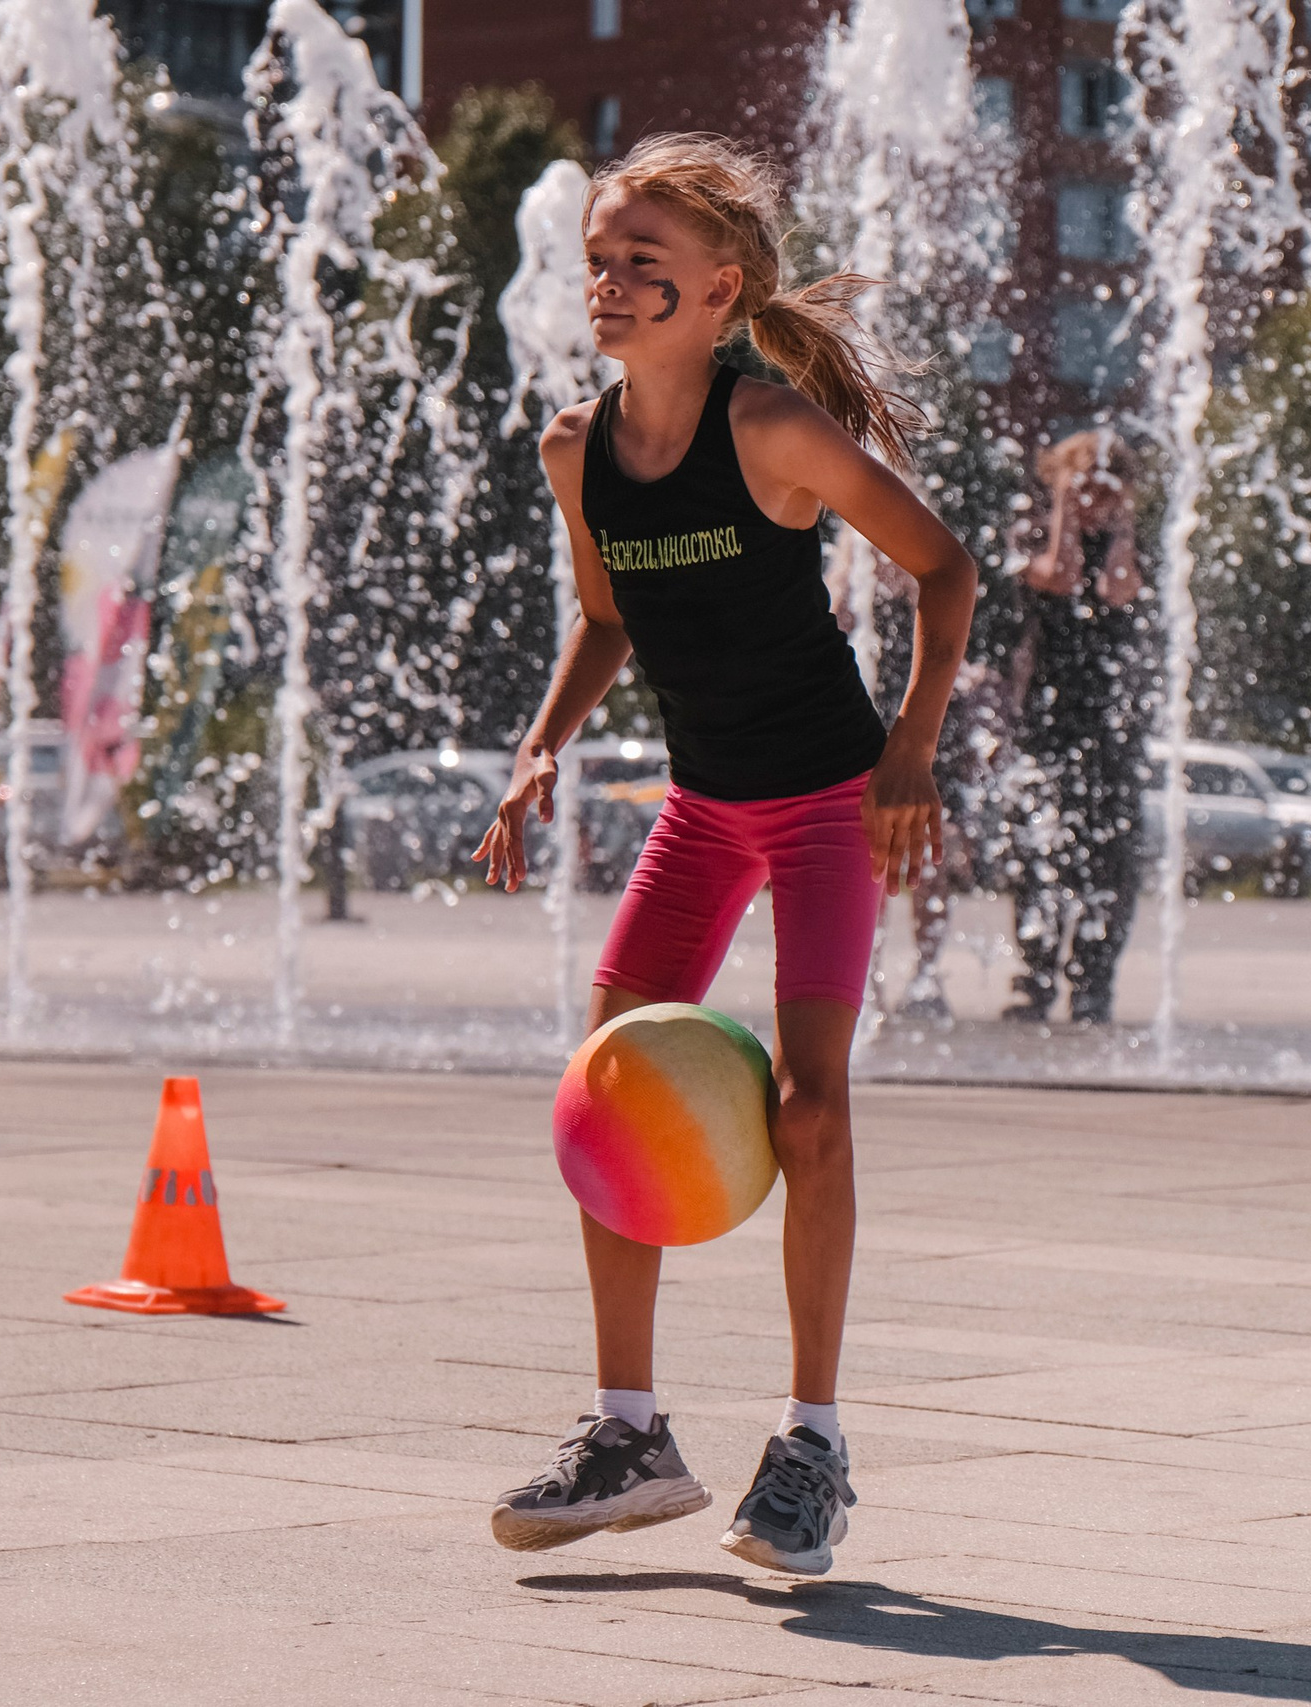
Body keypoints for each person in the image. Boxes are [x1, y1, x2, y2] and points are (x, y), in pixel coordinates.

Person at [471, 133, 974, 1577]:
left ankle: (814, 1444)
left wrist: (912, 746)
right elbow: (607, 616)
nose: (609, 284)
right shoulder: (575, 449)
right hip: (701, 806)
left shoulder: (770, 431)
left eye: (644, 264)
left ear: (718, 293)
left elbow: (945, 568)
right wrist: (543, 744)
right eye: (597, 261)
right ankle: (628, 1433)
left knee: (810, 1111)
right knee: (607, 1092)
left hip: (825, 801)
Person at [1003, 429, 1155, 1026]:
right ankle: (1036, 978)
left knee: (1112, 856)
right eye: (1083, 484)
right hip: (1047, 720)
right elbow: (1060, 576)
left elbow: (1117, 589)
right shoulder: (1033, 533)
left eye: (1107, 487)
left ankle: (1094, 983)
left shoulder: (1133, 547)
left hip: (1112, 725)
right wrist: (1065, 508)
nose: (1095, 497)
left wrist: (1122, 525)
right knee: (1036, 852)